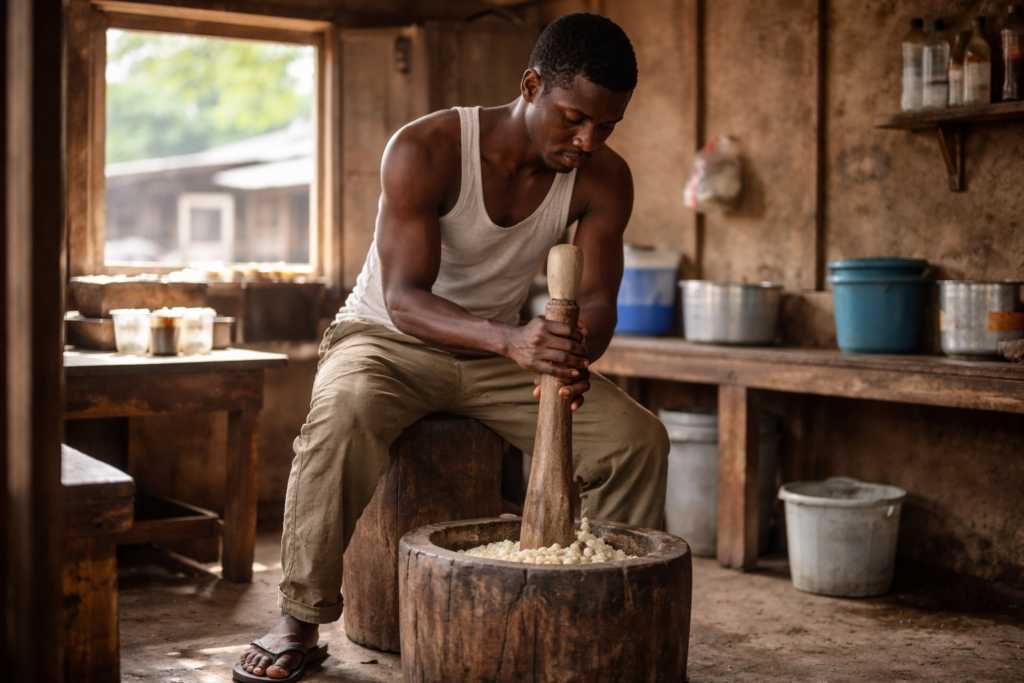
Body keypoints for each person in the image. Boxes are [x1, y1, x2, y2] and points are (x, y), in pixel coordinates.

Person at [235, 12, 669, 681]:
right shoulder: (427, 147)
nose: (588, 140)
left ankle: (602, 609)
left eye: (606, 125)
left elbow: (600, 301)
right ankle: (300, 616)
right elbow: (406, 297)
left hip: (499, 354)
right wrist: (513, 338)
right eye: (574, 118)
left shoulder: (604, 178)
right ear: (530, 85)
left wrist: (576, 356)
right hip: (386, 339)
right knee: (343, 411)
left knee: (636, 442)